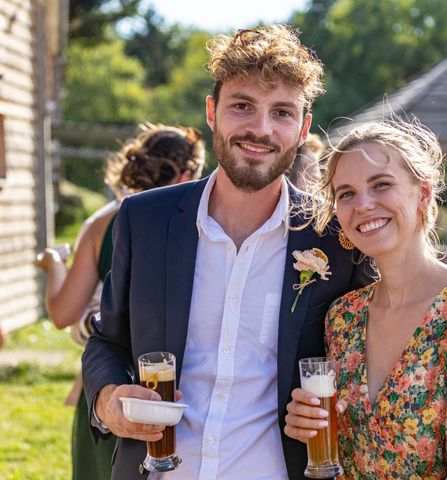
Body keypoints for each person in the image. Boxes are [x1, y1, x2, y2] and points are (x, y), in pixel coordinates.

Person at [81, 25, 370, 480]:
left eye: (281, 112)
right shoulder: (144, 219)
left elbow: (367, 365)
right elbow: (108, 340)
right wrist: (106, 399)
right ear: (212, 112)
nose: (260, 128)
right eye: (242, 106)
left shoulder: (336, 236)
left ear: (303, 128)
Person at [284, 120, 447, 478]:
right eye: (347, 193)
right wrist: (303, 424)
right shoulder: (343, 317)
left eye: (381, 185)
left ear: (423, 193)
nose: (363, 205)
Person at [36, 123, 205, 480]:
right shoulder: (201, 224)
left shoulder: (101, 224)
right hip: (168, 395)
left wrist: (54, 265)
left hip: (105, 388)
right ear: (188, 174)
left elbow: (63, 313)